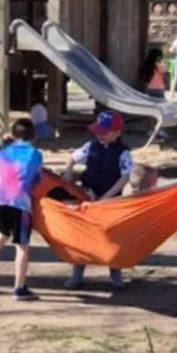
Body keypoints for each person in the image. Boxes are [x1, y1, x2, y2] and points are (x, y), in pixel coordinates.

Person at [0, 119, 43, 301]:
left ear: (13, 136)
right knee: (22, 245)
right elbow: (38, 180)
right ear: (34, 137)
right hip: (19, 204)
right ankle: (19, 288)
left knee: (2, 234)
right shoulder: (35, 154)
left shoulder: (5, 152)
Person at [62, 111, 134, 288]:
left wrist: (105, 198)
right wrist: (68, 172)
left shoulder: (123, 153)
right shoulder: (90, 146)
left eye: (105, 131)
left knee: (112, 236)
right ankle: (77, 274)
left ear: (117, 133)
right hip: (87, 198)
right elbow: (73, 157)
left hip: (111, 201)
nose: (100, 134)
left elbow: (124, 178)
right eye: (98, 131)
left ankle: (115, 273)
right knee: (82, 235)